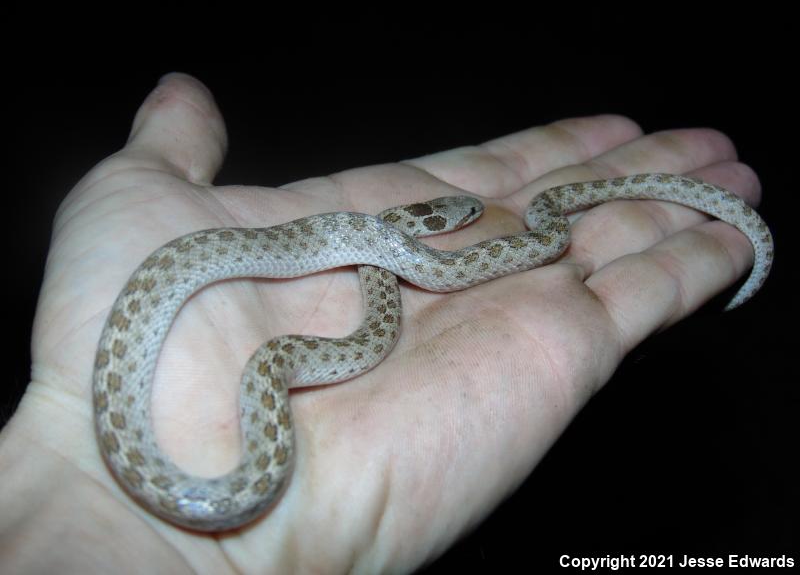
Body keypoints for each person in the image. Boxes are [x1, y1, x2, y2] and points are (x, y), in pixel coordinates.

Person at [0, 73, 764, 572]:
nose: (465, 222)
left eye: (461, 219)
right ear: (429, 225)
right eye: (457, 218)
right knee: (279, 357)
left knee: (304, 342)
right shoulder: (402, 250)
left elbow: (411, 254)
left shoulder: (400, 249)